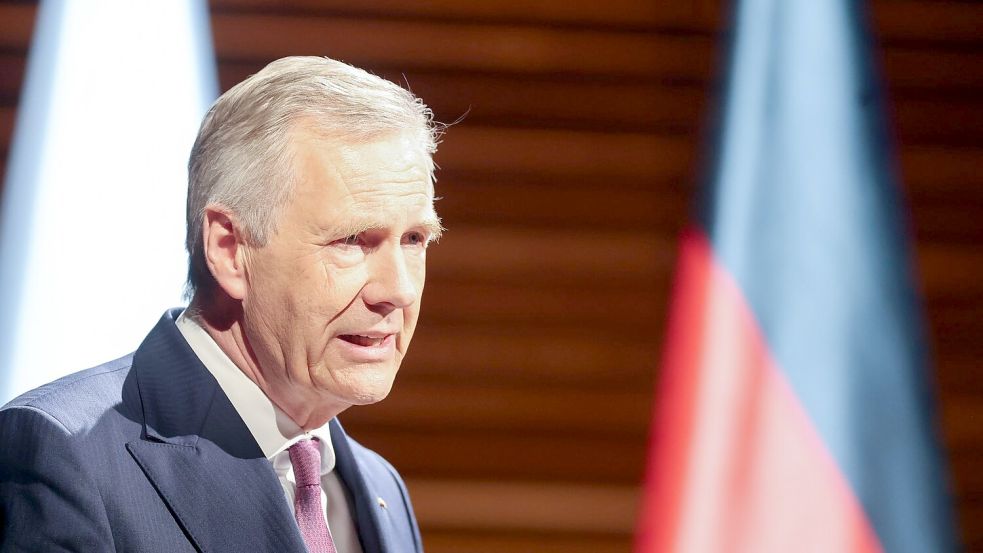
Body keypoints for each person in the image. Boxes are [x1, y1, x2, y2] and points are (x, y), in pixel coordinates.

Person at [0, 56, 442, 553]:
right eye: (353, 240)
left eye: (414, 238)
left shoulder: (381, 487)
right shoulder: (65, 453)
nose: (398, 290)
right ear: (230, 249)